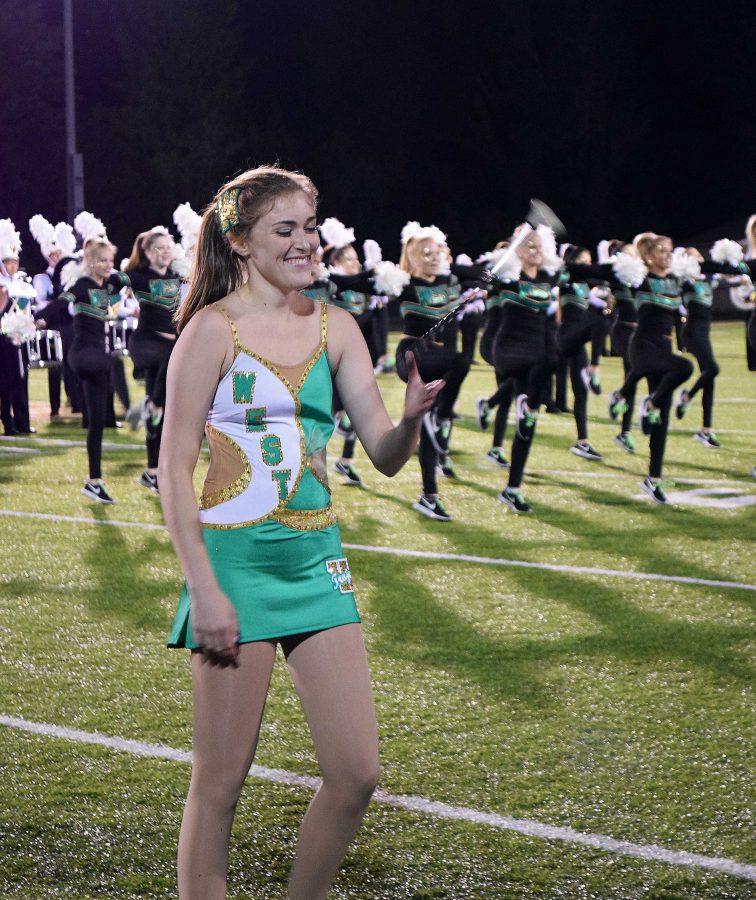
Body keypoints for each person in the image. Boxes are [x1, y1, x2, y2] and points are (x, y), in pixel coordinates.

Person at [160, 165, 442, 899]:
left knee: (356, 775)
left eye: (310, 227)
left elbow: (381, 454)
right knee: (219, 787)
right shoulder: (209, 332)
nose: (305, 242)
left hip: (319, 567)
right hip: (235, 574)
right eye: (285, 229)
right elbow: (173, 469)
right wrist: (204, 588)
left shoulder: (335, 327)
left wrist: (410, 418)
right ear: (242, 241)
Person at [57, 238, 130, 502]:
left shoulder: (107, 285)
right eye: (102, 260)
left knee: (97, 422)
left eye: (109, 260)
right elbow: (58, 304)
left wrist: (120, 268)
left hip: (96, 355)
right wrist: (38, 319)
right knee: (110, 364)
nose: (107, 265)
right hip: (84, 354)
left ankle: (93, 481)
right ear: (89, 262)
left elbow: (127, 278)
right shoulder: (81, 285)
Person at [125, 227, 182, 493]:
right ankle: (151, 403)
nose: (165, 251)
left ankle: (152, 471)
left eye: (168, 246)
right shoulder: (136, 276)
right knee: (160, 401)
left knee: (161, 416)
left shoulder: (178, 274)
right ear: (147, 253)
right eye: (159, 247)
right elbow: (111, 287)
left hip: (170, 349)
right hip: (148, 344)